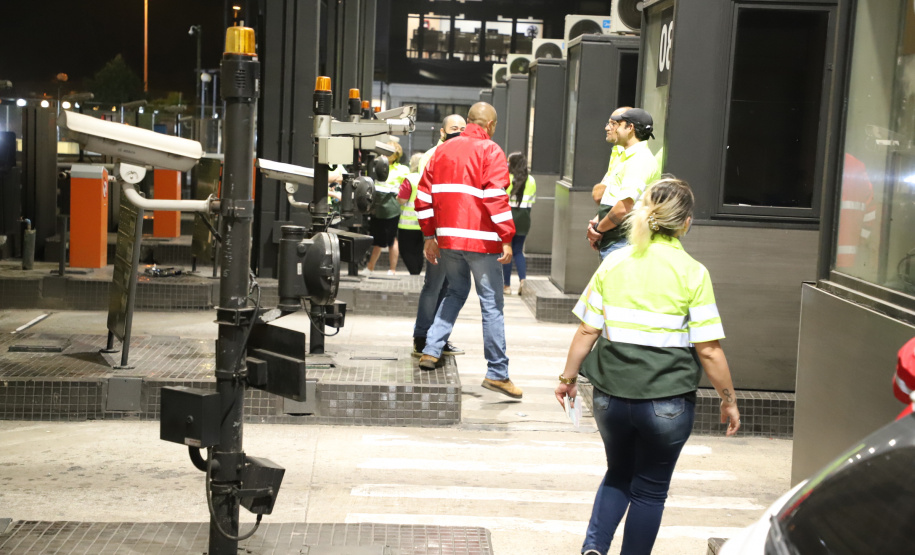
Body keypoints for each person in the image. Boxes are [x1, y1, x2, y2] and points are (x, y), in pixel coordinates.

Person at [556, 177, 741, 555]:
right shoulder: (692, 272)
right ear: (686, 223)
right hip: (666, 401)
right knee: (650, 490)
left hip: (610, 397)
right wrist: (729, 400)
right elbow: (709, 351)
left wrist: (568, 379)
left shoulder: (614, 263)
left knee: (618, 473)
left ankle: (594, 547)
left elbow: (586, 331)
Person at [415, 102, 522, 399]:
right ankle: (498, 373)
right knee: (491, 305)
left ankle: (431, 350)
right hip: (481, 242)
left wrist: (429, 235)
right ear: (489, 125)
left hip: (448, 240)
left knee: (455, 292)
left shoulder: (442, 151)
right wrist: (506, 237)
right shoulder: (491, 151)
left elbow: (423, 196)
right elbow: (496, 198)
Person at [411, 114, 467, 357]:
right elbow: (428, 197)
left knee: (446, 287)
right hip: (438, 232)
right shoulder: (433, 155)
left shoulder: (463, 154)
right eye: (454, 128)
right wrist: (430, 235)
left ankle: (436, 338)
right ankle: (423, 337)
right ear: (442, 132)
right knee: (434, 285)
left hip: (455, 232)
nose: (459, 132)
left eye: (463, 128)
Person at [586, 108, 661, 260]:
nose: (610, 128)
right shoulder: (626, 157)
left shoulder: (639, 160)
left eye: (617, 124)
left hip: (622, 241)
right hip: (615, 239)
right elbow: (607, 197)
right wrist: (597, 221)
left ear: (630, 128)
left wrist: (598, 229)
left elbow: (623, 208)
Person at [364, 141, 409, 276]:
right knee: (378, 240)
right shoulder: (374, 166)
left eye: (391, 153)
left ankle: (392, 269)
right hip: (377, 209)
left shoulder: (402, 170)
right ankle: (370, 267)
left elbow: (405, 189)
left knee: (391, 240)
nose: (388, 155)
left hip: (392, 210)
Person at [503, 152, 536, 296]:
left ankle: (507, 286)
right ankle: (523, 281)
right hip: (524, 218)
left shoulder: (507, 179)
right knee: (518, 251)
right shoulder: (531, 180)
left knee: (506, 251)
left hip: (508, 217)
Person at [591, 106, 631, 205]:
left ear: (629, 127)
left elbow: (599, 195)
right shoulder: (617, 149)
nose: (607, 128)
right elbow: (599, 193)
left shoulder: (635, 155)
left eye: (613, 124)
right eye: (608, 123)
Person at [397, 153, 426, 275]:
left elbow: (402, 199)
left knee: (406, 250)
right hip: (424, 223)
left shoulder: (410, 179)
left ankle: (414, 273)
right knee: (418, 250)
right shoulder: (428, 177)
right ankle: (417, 272)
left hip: (408, 224)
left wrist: (397, 196)